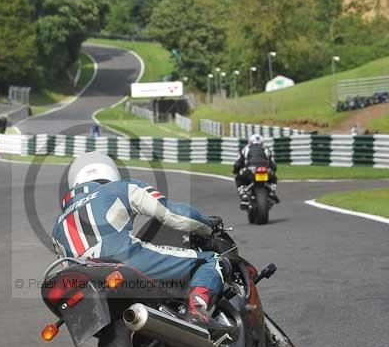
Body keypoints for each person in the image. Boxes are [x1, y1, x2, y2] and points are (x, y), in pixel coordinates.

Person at [51, 151, 232, 330]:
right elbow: (173, 214)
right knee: (210, 260)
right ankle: (197, 310)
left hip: (87, 284)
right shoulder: (120, 188)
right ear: (111, 172)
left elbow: (65, 267)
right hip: (126, 261)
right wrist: (208, 226)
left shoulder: (58, 225)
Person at [232, 134, 279, 207]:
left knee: (238, 178)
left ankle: (244, 195)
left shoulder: (245, 149)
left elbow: (238, 163)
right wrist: (272, 171)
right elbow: (273, 165)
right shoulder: (266, 149)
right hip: (265, 170)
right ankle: (272, 191)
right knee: (274, 178)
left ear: (250, 141)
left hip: (250, 170)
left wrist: (235, 171)